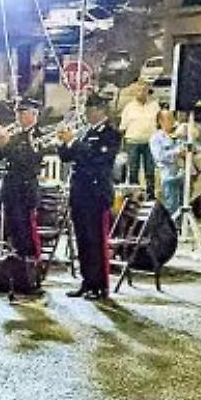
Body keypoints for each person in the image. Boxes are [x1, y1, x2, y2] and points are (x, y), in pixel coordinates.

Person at [58, 93, 122, 300]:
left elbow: (98, 159)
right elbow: (67, 157)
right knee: (83, 240)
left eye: (90, 110)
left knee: (96, 241)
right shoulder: (86, 132)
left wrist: (74, 143)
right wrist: (64, 143)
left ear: (100, 111)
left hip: (96, 193)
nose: (87, 114)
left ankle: (100, 285)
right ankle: (87, 281)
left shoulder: (110, 134)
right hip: (80, 193)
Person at [0, 98, 45, 268]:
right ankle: (18, 264)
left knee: (27, 229)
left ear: (33, 115)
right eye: (17, 113)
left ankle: (32, 266)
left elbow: (30, 161)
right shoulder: (16, 135)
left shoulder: (38, 135)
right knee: (14, 227)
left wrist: (8, 144)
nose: (18, 117)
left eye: (22, 113)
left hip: (25, 188)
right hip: (11, 188)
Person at [119, 84, 161, 198]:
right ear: (134, 92)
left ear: (147, 91)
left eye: (143, 90)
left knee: (150, 170)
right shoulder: (129, 108)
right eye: (138, 90)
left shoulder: (155, 106)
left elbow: (160, 123)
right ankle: (134, 196)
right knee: (133, 170)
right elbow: (122, 128)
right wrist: (121, 147)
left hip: (150, 143)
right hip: (132, 142)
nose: (141, 93)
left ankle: (151, 195)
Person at [149, 108, 188, 216]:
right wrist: (177, 153)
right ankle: (171, 229)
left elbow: (193, 147)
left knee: (184, 204)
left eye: (172, 118)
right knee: (171, 205)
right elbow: (159, 156)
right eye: (169, 119)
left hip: (183, 173)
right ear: (160, 121)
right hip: (168, 175)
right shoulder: (156, 138)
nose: (172, 121)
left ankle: (181, 227)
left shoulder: (179, 135)